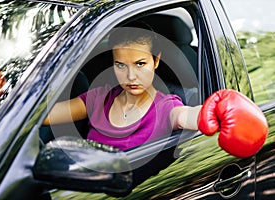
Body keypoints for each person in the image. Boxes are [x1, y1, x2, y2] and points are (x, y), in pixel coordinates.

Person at [43, 23, 268, 158]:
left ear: (156, 61)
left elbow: (186, 115)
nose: (130, 77)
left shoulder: (166, 106)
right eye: (121, 65)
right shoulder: (99, 97)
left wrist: (217, 111)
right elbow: (45, 116)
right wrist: (7, 95)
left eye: (140, 64)